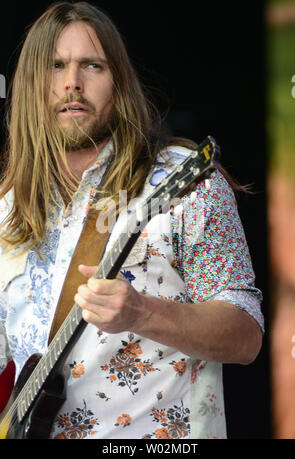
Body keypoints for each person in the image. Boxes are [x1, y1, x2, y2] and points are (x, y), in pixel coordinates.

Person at [0, 2, 263, 439]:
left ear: (118, 80)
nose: (72, 83)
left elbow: (245, 336)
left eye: (92, 65)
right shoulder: (7, 209)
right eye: (55, 66)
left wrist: (143, 313)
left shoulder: (185, 183)